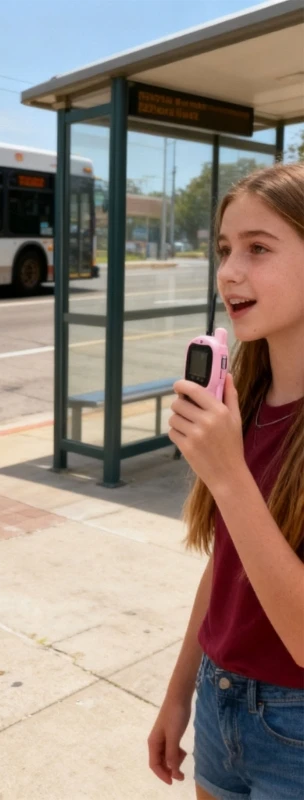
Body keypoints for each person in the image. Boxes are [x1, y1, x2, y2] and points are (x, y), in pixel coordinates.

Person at [148, 161, 304, 800]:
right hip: (219, 698)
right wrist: (179, 691)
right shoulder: (247, 396)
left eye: (258, 248)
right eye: (224, 249)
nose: (229, 271)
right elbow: (226, 565)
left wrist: (227, 474)